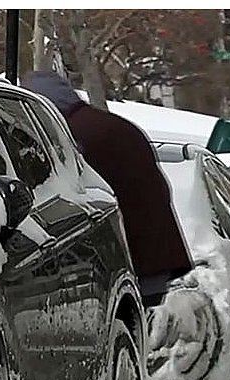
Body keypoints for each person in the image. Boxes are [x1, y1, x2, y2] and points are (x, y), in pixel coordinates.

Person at [23, 71, 192, 306]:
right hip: (153, 249)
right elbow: (160, 186)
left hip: (125, 254)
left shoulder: (71, 135)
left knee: (128, 319)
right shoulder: (110, 124)